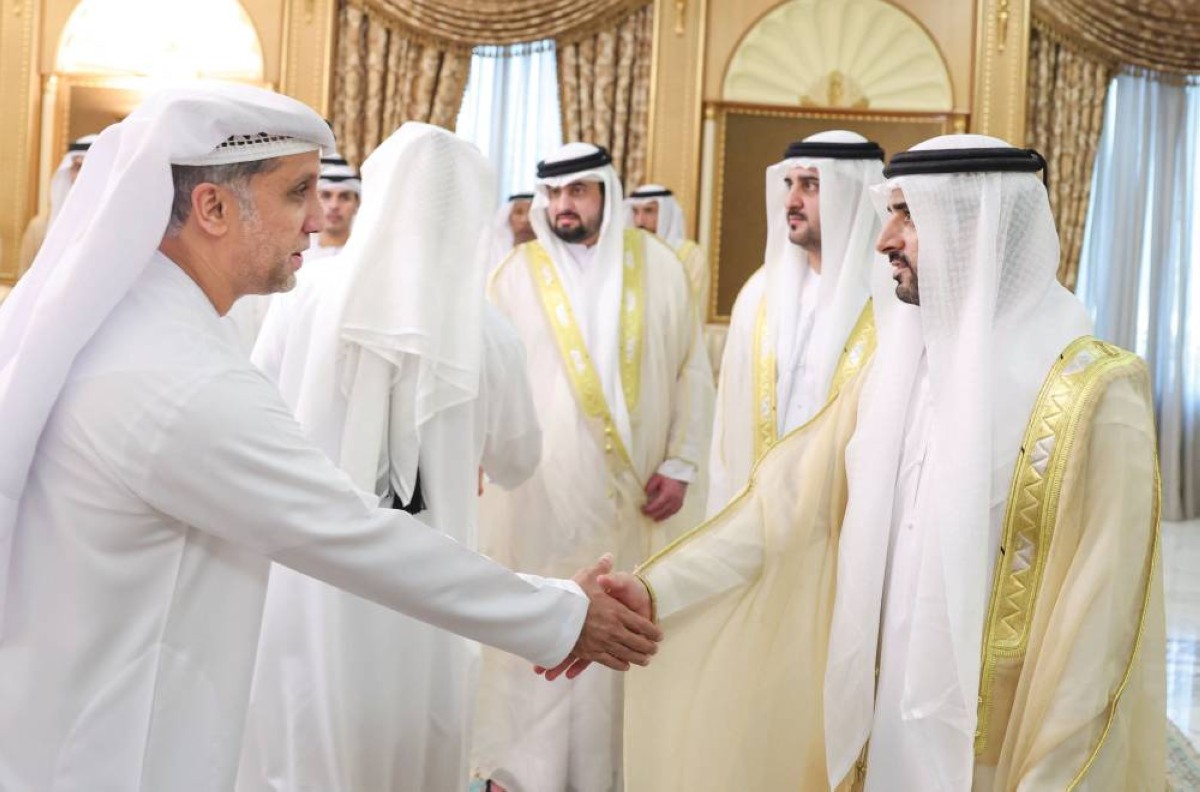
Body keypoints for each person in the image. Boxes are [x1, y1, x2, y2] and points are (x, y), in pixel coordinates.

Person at [0, 84, 660, 792]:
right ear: (213, 208)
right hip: (115, 748)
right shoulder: (179, 375)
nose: (319, 220)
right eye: (297, 193)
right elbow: (351, 531)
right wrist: (561, 616)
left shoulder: (150, 328)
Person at [608, 135, 1164, 791]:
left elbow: (1097, 639)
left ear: (974, 228)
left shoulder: (1093, 395)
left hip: (992, 758)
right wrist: (655, 591)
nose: (884, 239)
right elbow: (780, 513)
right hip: (878, 730)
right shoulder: (889, 371)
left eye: (908, 216)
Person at [237, 123, 544, 792]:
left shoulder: (302, 297)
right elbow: (519, 459)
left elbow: (253, 412)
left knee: (303, 738)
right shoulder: (489, 329)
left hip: (310, 574)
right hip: (430, 589)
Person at [473, 143, 714, 792]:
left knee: (623, 634)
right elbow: (486, 380)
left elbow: (691, 369)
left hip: (636, 496)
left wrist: (683, 460)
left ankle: (617, 776)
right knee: (542, 631)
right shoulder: (512, 275)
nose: (564, 206)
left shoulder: (659, 266)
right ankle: (528, 775)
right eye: (553, 194)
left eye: (577, 191)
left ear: (606, 192)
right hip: (538, 497)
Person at [706, 131, 884, 515]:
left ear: (850, 194)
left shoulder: (889, 300)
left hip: (843, 516)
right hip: (761, 515)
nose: (791, 201)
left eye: (810, 185)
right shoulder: (758, 294)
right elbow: (727, 425)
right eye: (790, 184)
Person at [17, 134, 97, 276]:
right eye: (78, 167)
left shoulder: (117, 229)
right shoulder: (38, 229)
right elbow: (23, 281)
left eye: (91, 168)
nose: (82, 176)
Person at [625, 184, 709, 315]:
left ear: (667, 214)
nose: (640, 221)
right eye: (635, 212)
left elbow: (691, 309)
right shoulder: (627, 255)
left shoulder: (690, 255)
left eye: (648, 211)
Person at [488, 191, 536, 270]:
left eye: (532, 212)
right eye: (519, 212)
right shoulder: (493, 256)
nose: (525, 220)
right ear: (508, 218)